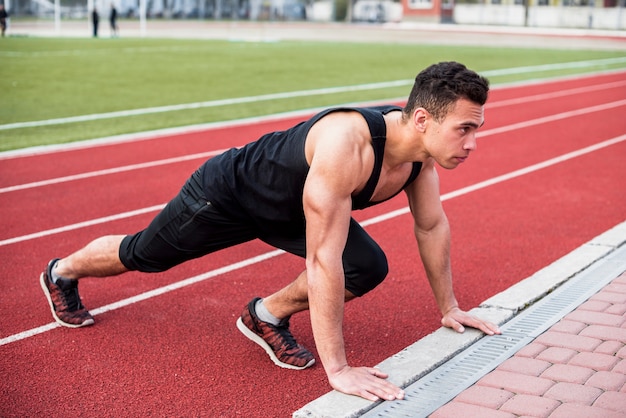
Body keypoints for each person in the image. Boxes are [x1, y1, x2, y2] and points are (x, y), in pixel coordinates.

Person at [40, 61, 501, 402]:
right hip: (228, 194)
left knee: (365, 266)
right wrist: (338, 370)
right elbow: (321, 260)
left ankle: (265, 315)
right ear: (423, 119)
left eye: (475, 129)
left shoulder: (418, 160)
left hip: (290, 210)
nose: (472, 143)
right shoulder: (348, 143)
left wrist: (451, 307)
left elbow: (431, 225)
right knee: (144, 254)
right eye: (464, 129)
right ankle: (61, 272)